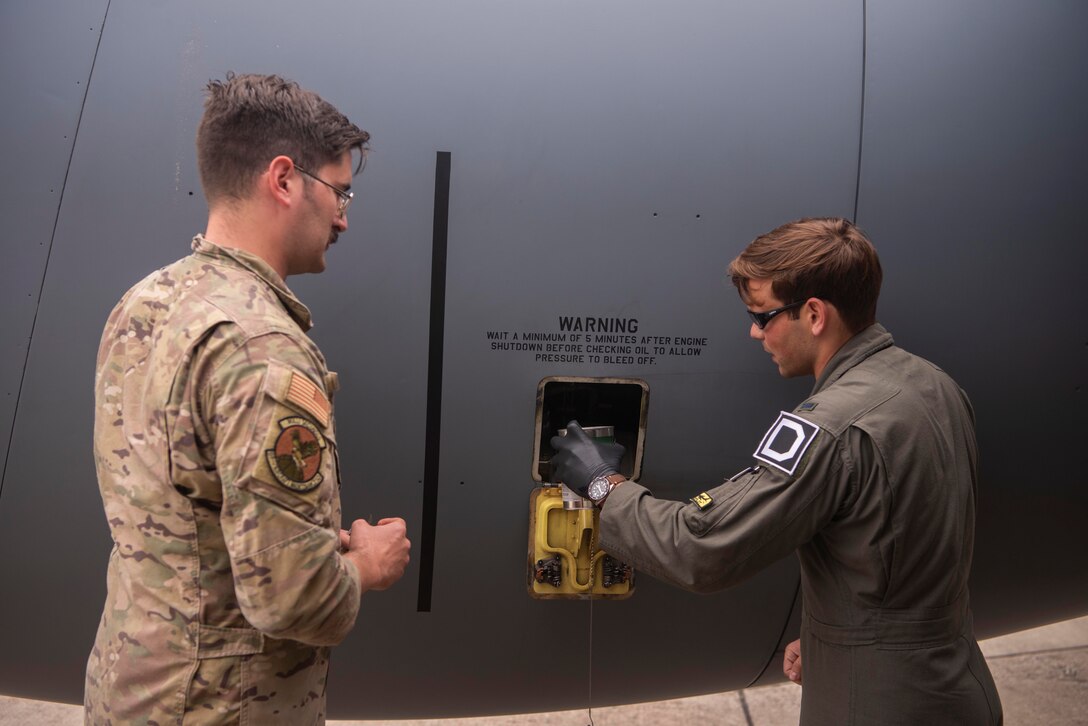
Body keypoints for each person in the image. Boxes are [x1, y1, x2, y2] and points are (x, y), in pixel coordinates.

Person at [551, 218, 1002, 724]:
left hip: (878, 705)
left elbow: (703, 548)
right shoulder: (933, 383)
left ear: (813, 314)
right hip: (954, 685)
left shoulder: (829, 427)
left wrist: (602, 484)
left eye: (763, 316)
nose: (753, 331)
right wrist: (839, 640)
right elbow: (904, 538)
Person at [84, 73, 411, 724]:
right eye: (340, 191)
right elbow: (291, 599)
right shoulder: (262, 348)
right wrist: (367, 566)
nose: (345, 215)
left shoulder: (145, 302)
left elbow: (186, 518)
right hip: (223, 706)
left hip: (132, 686)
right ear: (285, 180)